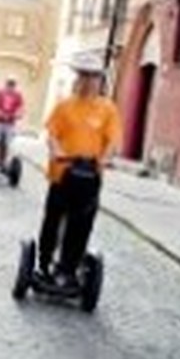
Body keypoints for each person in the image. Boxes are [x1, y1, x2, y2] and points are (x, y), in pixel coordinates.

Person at [36, 54, 121, 290]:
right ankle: (44, 264)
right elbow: (52, 134)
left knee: (80, 224)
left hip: (91, 176)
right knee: (52, 220)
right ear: (77, 78)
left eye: (93, 76)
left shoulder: (107, 109)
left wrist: (106, 159)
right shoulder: (64, 106)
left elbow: (112, 141)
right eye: (83, 75)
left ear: (99, 80)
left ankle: (68, 269)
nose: (88, 81)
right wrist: (57, 151)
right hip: (62, 173)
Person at [0, 75, 24, 168]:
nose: (11, 86)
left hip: (10, 123)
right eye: (9, 83)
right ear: (6, 84)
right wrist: (0, 113)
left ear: (15, 85)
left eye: (12, 84)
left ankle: (2, 162)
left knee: (6, 144)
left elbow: (20, 108)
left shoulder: (18, 96)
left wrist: (17, 115)